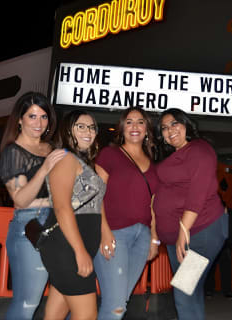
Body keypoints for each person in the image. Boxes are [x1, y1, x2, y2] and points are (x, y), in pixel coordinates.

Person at [153, 108, 228, 320]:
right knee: (190, 293)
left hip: (199, 231)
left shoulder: (199, 149)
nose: (170, 130)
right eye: (165, 128)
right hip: (180, 237)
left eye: (175, 124)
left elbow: (199, 191)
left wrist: (183, 231)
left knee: (184, 291)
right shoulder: (174, 156)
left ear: (187, 125)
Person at [0, 92, 66, 320]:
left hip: (60, 226)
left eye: (44, 116)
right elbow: (20, 200)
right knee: (27, 303)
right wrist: (46, 167)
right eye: (32, 116)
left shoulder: (52, 148)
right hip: (30, 227)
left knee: (69, 296)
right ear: (20, 119)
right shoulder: (13, 152)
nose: (39, 123)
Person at [93, 107, 159, 320]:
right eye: (129, 122)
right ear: (122, 127)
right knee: (115, 306)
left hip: (143, 237)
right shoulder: (109, 154)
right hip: (115, 233)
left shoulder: (153, 164)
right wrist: (104, 231)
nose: (135, 126)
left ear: (147, 129)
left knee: (120, 301)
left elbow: (153, 205)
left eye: (140, 122)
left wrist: (154, 240)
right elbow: (96, 196)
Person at [39, 110, 106, 320]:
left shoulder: (81, 161)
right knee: (87, 315)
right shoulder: (66, 159)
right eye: (81, 126)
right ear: (68, 130)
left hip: (72, 245)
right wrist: (80, 251)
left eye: (92, 127)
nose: (88, 131)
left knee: (55, 315)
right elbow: (62, 208)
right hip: (67, 247)